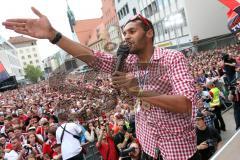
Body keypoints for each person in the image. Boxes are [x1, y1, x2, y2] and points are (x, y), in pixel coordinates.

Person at [3, 8, 199, 159]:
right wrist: (54, 35)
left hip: (178, 150)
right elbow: (92, 57)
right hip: (149, 146)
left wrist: (138, 91)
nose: (126, 37)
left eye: (132, 31)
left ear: (149, 33)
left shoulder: (172, 58)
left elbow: (186, 104)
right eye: (124, 33)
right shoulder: (128, 62)